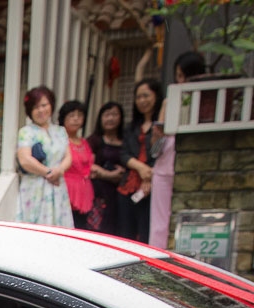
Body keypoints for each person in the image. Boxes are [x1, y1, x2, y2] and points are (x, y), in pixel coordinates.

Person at [149, 52, 207, 249]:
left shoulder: (206, 101)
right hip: (164, 166)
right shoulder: (169, 102)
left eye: (184, 76)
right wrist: (158, 132)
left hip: (192, 167)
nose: (180, 81)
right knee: (159, 224)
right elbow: (155, 149)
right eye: (178, 76)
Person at [16, 85, 74, 228]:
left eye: (44, 105)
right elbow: (25, 160)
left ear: (51, 105)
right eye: (36, 107)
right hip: (35, 187)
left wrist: (59, 171)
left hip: (57, 187)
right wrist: (48, 173)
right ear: (30, 111)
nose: (41, 110)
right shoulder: (26, 132)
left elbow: (68, 157)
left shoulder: (60, 131)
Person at [117, 78, 163, 243]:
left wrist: (149, 174)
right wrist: (140, 167)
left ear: (156, 96)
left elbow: (160, 152)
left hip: (152, 186)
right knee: (125, 235)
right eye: (138, 97)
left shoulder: (162, 126)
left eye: (146, 96)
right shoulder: (131, 127)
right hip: (128, 186)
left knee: (146, 234)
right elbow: (123, 154)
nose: (142, 101)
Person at [86, 102, 126, 236]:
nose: (110, 119)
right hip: (100, 193)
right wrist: (109, 175)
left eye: (114, 114)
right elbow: (88, 165)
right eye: (106, 115)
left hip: (121, 192)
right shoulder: (94, 140)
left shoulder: (127, 140)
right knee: (99, 231)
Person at [58, 100, 95, 230]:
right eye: (71, 115)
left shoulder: (84, 142)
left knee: (82, 228)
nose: (76, 119)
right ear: (63, 119)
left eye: (79, 115)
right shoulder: (60, 140)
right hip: (67, 190)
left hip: (84, 190)